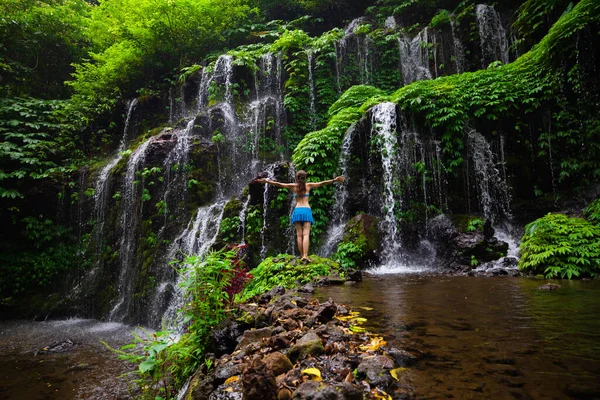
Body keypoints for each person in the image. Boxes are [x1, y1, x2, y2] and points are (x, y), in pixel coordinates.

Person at [255, 170, 345, 262]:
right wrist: (335, 180)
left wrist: (266, 181)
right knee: (306, 234)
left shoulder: (294, 186)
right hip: (306, 210)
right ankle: (305, 255)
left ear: (296, 178)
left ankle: (302, 255)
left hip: (297, 211)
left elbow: (279, 184)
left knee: (299, 235)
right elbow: (322, 183)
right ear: (305, 178)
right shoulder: (308, 185)